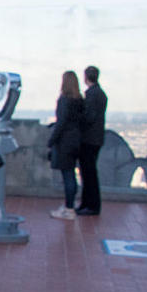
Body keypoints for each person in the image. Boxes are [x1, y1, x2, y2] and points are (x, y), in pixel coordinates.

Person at [48, 71, 85, 220]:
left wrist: (51, 140)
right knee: (71, 174)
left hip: (65, 141)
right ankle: (70, 206)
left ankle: (69, 209)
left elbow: (61, 122)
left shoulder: (64, 100)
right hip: (76, 140)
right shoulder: (80, 100)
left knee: (68, 175)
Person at [77, 65, 107, 216]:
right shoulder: (100, 94)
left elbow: (89, 117)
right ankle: (89, 204)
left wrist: (77, 118)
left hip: (89, 139)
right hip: (96, 138)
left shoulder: (92, 94)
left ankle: (90, 205)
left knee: (88, 174)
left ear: (86, 77)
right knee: (90, 174)